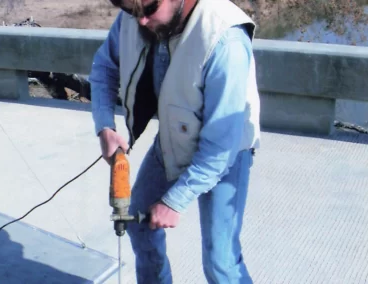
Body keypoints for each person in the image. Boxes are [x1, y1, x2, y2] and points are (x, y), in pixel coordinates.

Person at [89, 0, 261, 283]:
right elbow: (104, 68)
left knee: (220, 261)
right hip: (173, 138)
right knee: (139, 224)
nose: (141, 21)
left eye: (149, 9)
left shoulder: (225, 40)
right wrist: (105, 126)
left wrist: (175, 201)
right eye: (133, 11)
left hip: (227, 153)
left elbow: (220, 148)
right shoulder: (136, 14)